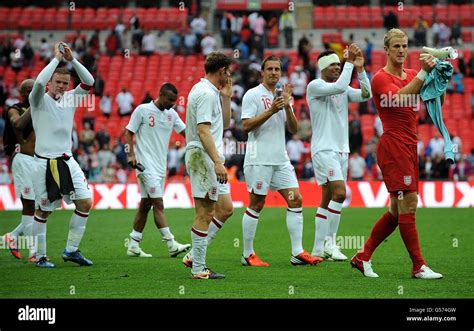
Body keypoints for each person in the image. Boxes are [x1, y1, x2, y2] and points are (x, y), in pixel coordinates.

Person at [352, 29, 442, 279]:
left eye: (404, 46)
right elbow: (400, 99)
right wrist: (425, 73)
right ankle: (418, 266)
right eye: (396, 47)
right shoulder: (381, 78)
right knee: (409, 204)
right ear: (387, 50)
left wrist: (440, 81)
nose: (402, 50)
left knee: (396, 209)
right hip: (394, 147)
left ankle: (362, 256)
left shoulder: (413, 75)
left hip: (411, 146)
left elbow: (435, 102)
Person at [240, 55, 321, 267]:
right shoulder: (252, 95)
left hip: (280, 159)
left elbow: (294, 129)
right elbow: (246, 126)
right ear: (262, 73)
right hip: (259, 159)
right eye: (270, 69)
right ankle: (247, 254)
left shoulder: (283, 96)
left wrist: (286, 106)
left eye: (278, 69)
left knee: (296, 200)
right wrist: (271, 110)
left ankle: (297, 252)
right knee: (257, 203)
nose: (275, 72)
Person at [29, 42, 95, 268]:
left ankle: (72, 250)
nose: (62, 86)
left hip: (68, 160)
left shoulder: (71, 98)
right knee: (43, 211)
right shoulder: (38, 100)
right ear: (50, 83)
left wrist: (72, 59)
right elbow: (37, 82)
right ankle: (40, 257)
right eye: (58, 82)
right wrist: (56, 59)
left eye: (65, 83)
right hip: (44, 164)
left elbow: (89, 82)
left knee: (85, 202)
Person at [306, 46, 372, 261]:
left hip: (341, 150)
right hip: (324, 149)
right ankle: (331, 244)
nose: (337, 67)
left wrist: (360, 70)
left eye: (338, 64)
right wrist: (350, 62)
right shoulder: (315, 86)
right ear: (323, 68)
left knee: (327, 198)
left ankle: (317, 249)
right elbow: (342, 84)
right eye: (333, 65)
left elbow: (366, 94)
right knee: (340, 194)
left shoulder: (340, 88)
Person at [181, 52, 234, 279]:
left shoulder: (208, 91)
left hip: (207, 155)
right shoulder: (205, 93)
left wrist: (227, 98)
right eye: (228, 71)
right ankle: (198, 268)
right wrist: (217, 162)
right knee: (205, 212)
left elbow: (225, 124)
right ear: (221, 70)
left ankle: (194, 256)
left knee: (225, 208)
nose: (230, 75)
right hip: (204, 156)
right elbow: (203, 131)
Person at [124, 83, 190, 258]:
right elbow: (128, 132)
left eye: (175, 100)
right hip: (145, 166)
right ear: (160, 94)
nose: (173, 103)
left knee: (145, 205)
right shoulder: (142, 110)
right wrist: (130, 155)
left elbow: (186, 133)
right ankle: (171, 244)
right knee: (158, 204)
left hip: (161, 167)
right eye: (170, 99)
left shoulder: (172, 114)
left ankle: (133, 244)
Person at [1, 79, 37, 262]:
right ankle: (33, 252)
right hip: (23, 160)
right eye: (30, 90)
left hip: (39, 161)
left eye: (36, 89)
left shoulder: (42, 108)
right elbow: (17, 124)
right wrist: (35, 105)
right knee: (30, 205)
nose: (33, 93)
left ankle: (12, 237)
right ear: (22, 93)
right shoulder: (14, 109)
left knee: (40, 206)